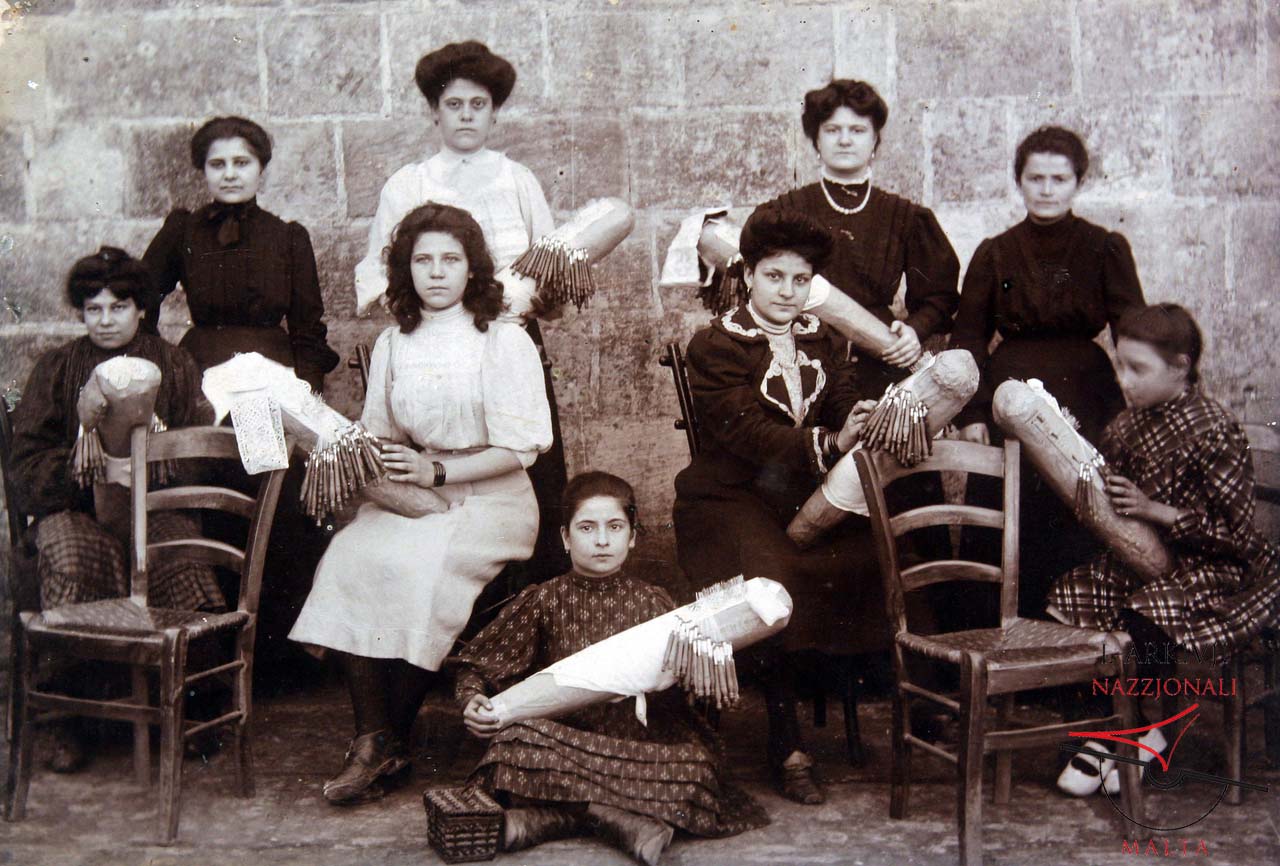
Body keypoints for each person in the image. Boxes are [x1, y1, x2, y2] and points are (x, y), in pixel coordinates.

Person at [289, 203, 552, 805]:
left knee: (417, 570)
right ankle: (374, 738)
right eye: (422, 260)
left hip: (492, 497)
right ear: (405, 272)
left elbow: (523, 448)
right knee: (350, 554)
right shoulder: (392, 342)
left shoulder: (504, 339)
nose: (436, 272)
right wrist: (341, 447)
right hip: (417, 493)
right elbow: (382, 433)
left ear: (473, 268)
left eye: (450, 260)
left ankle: (386, 739)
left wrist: (440, 469)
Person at [671, 207, 880, 805]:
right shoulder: (715, 344)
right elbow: (747, 434)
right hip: (726, 498)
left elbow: (839, 394)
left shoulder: (821, 335)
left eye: (800, 279)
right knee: (775, 582)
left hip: (797, 496)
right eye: (775, 276)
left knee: (879, 555)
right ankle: (786, 742)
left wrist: (855, 415)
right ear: (749, 275)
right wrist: (831, 443)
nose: (788, 291)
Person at [455, 472, 768, 866]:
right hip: (565, 736)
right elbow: (477, 664)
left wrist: (700, 674)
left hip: (637, 742)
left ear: (632, 536)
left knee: (696, 769)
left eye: (615, 527)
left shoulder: (653, 603)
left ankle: (560, 817)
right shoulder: (543, 600)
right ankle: (617, 818)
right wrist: (473, 700)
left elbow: (681, 684)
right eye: (587, 528)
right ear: (566, 538)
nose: (602, 540)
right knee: (513, 743)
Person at [354, 40, 569, 591]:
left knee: (532, 471)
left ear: (494, 112)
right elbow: (381, 272)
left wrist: (541, 296)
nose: (467, 115)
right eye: (454, 104)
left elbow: (554, 262)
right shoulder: (409, 184)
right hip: (434, 347)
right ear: (435, 111)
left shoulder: (517, 179)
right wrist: (426, 321)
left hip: (511, 344)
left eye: (478, 104)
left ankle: (531, 612)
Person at [8, 246, 220, 770]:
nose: (105, 320)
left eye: (118, 308)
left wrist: (154, 466)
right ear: (80, 312)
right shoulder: (56, 368)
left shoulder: (175, 364)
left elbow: (201, 451)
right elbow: (27, 466)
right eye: (94, 309)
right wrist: (94, 472)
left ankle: (186, 711)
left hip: (156, 506)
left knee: (185, 560)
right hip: (76, 510)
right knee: (73, 559)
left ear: (141, 309)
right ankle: (67, 719)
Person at [142, 116, 341, 675]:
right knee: (207, 495)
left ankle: (273, 659)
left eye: (242, 163)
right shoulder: (183, 229)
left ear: (260, 168)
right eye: (218, 164)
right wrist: (160, 367)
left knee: (267, 498)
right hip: (201, 382)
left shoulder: (286, 236)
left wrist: (300, 396)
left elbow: (307, 327)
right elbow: (139, 294)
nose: (230, 174)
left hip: (264, 386)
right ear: (203, 172)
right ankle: (207, 652)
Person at [952, 125, 1146, 618]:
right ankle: (998, 635)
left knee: (1083, 504)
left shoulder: (1105, 248)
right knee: (1014, 507)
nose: (1046, 189)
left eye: (1058, 178)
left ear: (1077, 182)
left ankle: (1084, 644)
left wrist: (1140, 407)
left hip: (1086, 391)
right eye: (1035, 177)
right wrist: (974, 412)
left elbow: (1134, 330)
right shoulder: (994, 252)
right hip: (1009, 393)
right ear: (1020, 181)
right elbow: (969, 338)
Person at [1048, 304, 1279, 662]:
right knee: (1069, 594)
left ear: (1180, 367)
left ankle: (1153, 714)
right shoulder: (1124, 427)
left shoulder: (1215, 430)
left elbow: (1236, 536)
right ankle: (1102, 706)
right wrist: (1072, 447)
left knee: (1147, 613)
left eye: (1138, 369)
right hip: (1149, 557)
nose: (1124, 380)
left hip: (1216, 569)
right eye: (1120, 365)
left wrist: (1153, 510)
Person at [761, 78, 960, 395]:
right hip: (804, 356)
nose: (844, 140)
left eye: (857, 130)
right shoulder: (788, 211)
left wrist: (913, 331)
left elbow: (939, 297)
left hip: (879, 358)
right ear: (816, 140)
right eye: (831, 130)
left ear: (875, 140)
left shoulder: (905, 216)